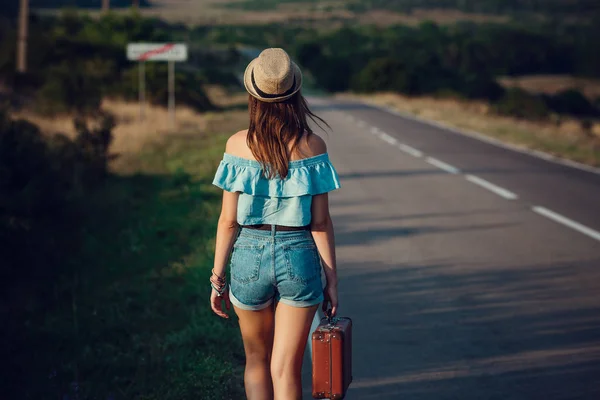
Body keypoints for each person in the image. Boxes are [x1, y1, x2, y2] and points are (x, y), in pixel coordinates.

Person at [209, 48, 341, 400]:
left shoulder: (237, 145)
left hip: (248, 256)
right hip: (298, 254)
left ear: (253, 96)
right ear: (295, 94)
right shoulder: (313, 145)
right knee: (286, 369)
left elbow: (227, 222)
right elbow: (321, 223)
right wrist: (331, 278)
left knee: (256, 361)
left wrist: (217, 278)